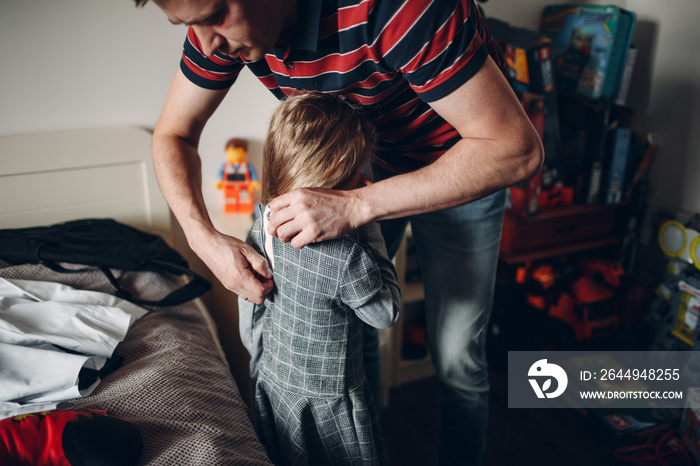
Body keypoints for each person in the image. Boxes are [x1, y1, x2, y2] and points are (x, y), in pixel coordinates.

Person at [138, 0, 543, 463]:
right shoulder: (218, 31)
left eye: (212, 15)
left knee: (457, 358)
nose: (205, 41)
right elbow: (173, 134)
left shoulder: (402, 8)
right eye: (186, 24)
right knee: (354, 336)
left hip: (468, 169)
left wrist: (358, 204)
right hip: (362, 171)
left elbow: (518, 150)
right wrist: (203, 239)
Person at [238, 92, 400, 465]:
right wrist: (368, 220)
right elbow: (385, 312)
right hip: (330, 403)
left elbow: (250, 304)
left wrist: (258, 361)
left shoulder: (262, 226)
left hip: (275, 382)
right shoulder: (348, 259)